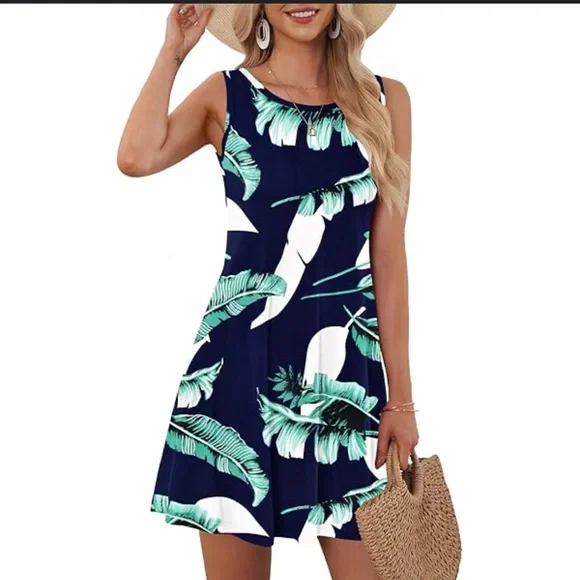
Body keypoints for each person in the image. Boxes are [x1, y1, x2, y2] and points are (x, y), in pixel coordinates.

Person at [118, 4, 417, 579]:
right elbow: (136, 156)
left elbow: (388, 256)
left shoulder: (385, 101)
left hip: (346, 382)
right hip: (241, 369)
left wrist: (399, 399)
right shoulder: (226, 94)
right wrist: (173, 53)